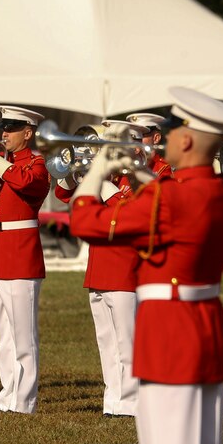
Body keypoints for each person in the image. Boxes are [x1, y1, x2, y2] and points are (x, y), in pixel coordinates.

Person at [69, 86, 223, 444]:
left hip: (171, 346)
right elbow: (172, 203)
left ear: (186, 141)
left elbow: (85, 219)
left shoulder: (175, 198)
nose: (160, 143)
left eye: (168, 136)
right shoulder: (219, 192)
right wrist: (141, 174)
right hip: (202, 335)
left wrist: (99, 170)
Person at [54, 119, 144, 417]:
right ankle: (113, 399)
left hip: (125, 268)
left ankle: (131, 402)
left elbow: (127, 206)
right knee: (106, 341)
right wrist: (77, 168)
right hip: (100, 268)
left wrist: (100, 176)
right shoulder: (103, 173)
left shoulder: (136, 177)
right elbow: (63, 194)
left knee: (127, 342)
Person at [0, 105, 50, 414]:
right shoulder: (0, 164)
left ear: (28, 132)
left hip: (20, 256)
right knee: (3, 337)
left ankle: (24, 400)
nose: (3, 133)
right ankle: (8, 394)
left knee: (22, 336)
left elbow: (25, 182)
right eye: (2, 128)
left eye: (11, 127)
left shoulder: (36, 163)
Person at [127, 113, 173, 178]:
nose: (135, 141)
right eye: (133, 136)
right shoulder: (125, 167)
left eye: (141, 135)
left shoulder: (165, 168)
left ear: (156, 138)